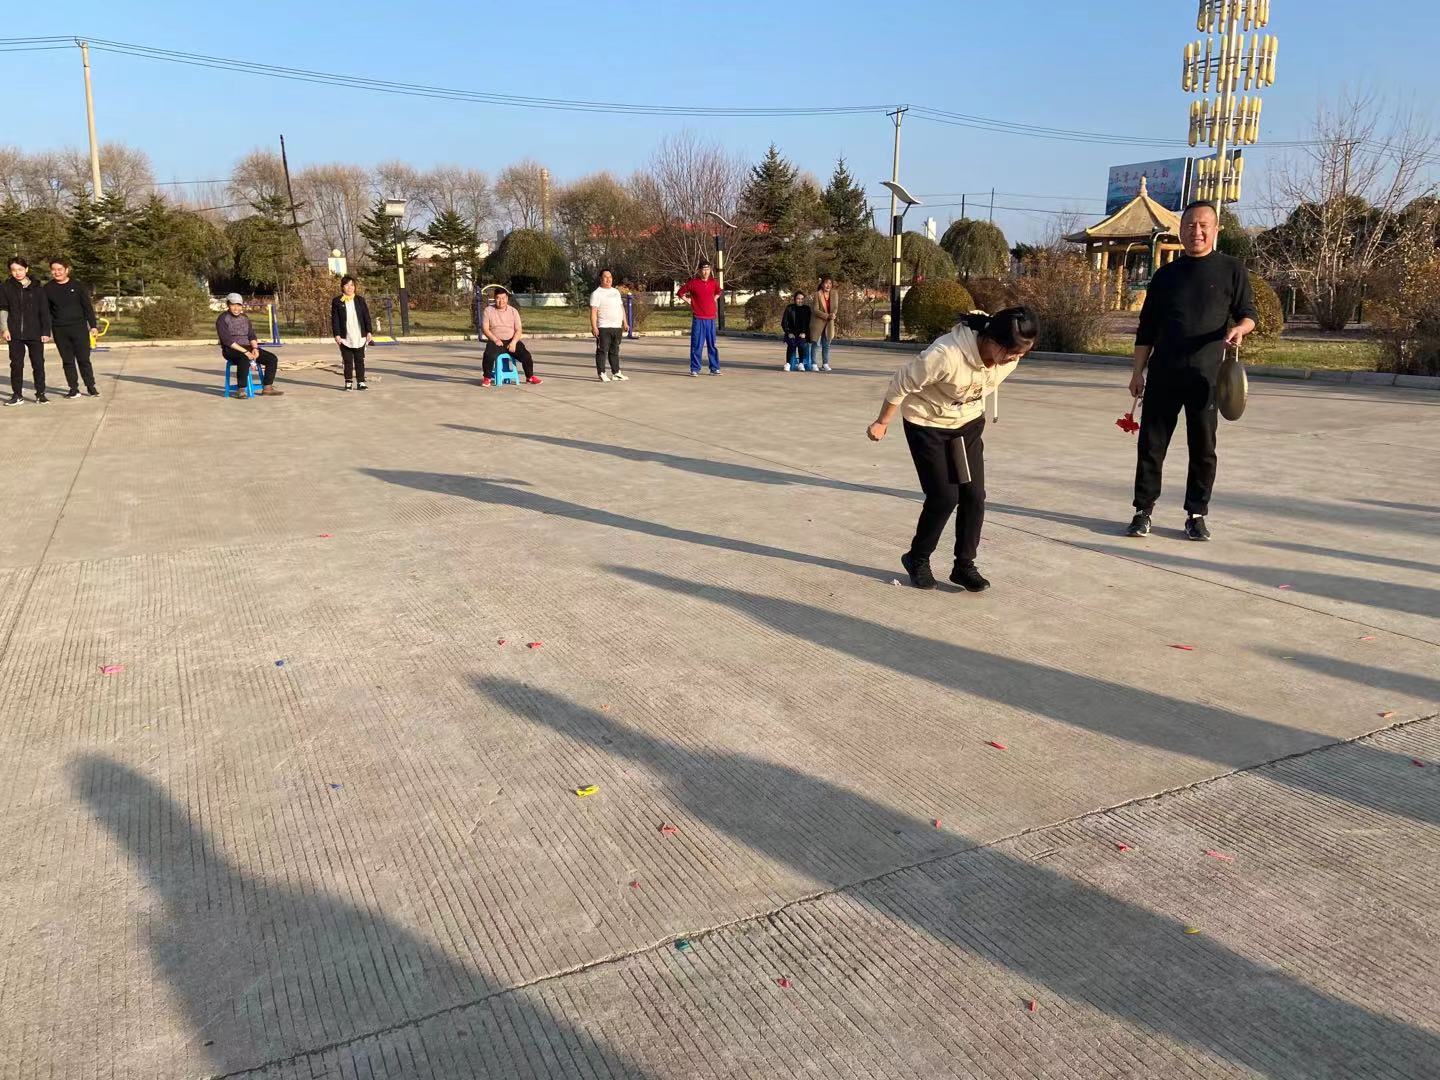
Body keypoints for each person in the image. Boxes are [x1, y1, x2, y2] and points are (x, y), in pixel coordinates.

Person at [867, 306, 1039, 592]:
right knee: (944, 496)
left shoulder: (1008, 358)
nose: (1014, 359)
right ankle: (917, 558)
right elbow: (901, 382)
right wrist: (882, 422)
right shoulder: (945, 355)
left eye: (1022, 353)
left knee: (974, 495)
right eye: (1011, 352)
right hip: (927, 422)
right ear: (992, 340)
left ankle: (964, 566)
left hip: (967, 422)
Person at [1125, 201, 1257, 542]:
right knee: (1151, 445)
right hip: (1164, 373)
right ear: (1180, 230)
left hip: (1206, 377)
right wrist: (1138, 372)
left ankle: (1196, 515)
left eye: (1202, 225)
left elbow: (1248, 314)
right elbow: (1146, 329)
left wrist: (1240, 329)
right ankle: (1143, 511)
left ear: (1215, 230)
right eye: (1189, 225)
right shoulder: (1165, 276)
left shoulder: (1231, 269)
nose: (1195, 231)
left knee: (1203, 447)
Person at [44, 258, 99, 399]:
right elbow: (47, 312)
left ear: (67, 270)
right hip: (60, 329)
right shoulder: (48, 288)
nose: (57, 272)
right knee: (67, 360)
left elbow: (87, 307)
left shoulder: (78, 285)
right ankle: (73, 388)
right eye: (54, 270)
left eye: (60, 269)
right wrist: (46, 331)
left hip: (79, 328)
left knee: (83, 359)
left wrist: (93, 326)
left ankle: (90, 386)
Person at [1, 257, 53, 406]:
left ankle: (40, 394)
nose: (17, 273)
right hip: (14, 332)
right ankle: (17, 395)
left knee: (38, 364)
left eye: (20, 269)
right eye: (14, 270)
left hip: (35, 332)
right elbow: (3, 309)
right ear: (10, 271)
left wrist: (46, 331)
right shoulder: (6, 287)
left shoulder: (37, 288)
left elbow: (44, 311)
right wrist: (4, 329)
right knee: (16, 365)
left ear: (26, 269)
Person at [216, 293, 283, 397]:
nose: (236, 308)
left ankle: (267, 387)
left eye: (239, 305)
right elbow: (227, 341)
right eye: (233, 305)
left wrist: (255, 348)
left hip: (248, 347)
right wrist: (246, 352)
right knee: (243, 358)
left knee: (272, 359)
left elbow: (251, 335)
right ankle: (241, 389)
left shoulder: (245, 317)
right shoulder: (222, 319)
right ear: (228, 305)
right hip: (231, 349)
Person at [480, 287, 540, 386]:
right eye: (498, 298)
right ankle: (487, 378)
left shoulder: (513, 311)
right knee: (488, 355)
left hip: (511, 341)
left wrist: (514, 342)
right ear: (494, 298)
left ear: (507, 298)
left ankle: (530, 377)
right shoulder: (488, 310)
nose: (501, 301)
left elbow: (518, 329)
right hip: (496, 341)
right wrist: (495, 339)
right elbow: (485, 329)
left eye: (503, 298)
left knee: (526, 356)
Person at [677, 260, 722, 376]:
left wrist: (714, 299)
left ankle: (714, 368)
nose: (705, 272)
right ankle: (695, 369)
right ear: (699, 271)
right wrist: (688, 300)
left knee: (712, 345)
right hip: (699, 318)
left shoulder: (713, 282)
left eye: (707, 269)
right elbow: (680, 292)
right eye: (703, 269)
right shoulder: (693, 283)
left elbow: (719, 291)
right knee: (697, 345)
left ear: (710, 270)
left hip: (711, 318)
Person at [330, 275, 373, 391]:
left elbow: (366, 317)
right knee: (347, 360)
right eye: (347, 285)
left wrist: (369, 331)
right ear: (342, 287)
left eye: (352, 285)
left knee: (360, 360)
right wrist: (337, 334)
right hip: (345, 336)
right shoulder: (337, 301)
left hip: (359, 335)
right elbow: (335, 319)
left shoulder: (360, 300)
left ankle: (361, 382)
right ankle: (348, 382)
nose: (350, 287)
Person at [589, 269, 629, 382]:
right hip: (603, 327)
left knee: (614, 351)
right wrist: (594, 327)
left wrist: (625, 322)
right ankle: (602, 373)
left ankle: (616, 373)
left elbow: (621, 307)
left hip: (617, 326)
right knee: (602, 351)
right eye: (605, 277)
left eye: (610, 277)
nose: (608, 279)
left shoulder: (615, 292)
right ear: (601, 279)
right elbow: (593, 312)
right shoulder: (596, 293)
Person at [810, 275, 838, 371]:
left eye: (830, 283)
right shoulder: (817, 294)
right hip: (818, 322)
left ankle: (825, 363)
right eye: (826, 283)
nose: (828, 285)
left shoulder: (834, 294)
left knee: (826, 344)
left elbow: (835, 307)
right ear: (822, 284)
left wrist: (833, 314)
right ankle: (814, 363)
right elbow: (815, 310)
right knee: (816, 344)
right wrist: (827, 316)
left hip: (829, 323)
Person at [781, 290, 812, 372]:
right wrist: (788, 333)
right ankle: (788, 363)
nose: (800, 300)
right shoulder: (789, 308)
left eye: (802, 299)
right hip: (791, 332)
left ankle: (801, 364)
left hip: (802, 332)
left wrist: (804, 333)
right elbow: (784, 322)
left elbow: (809, 323)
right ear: (795, 299)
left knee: (802, 343)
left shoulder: (807, 309)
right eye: (798, 298)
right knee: (791, 343)